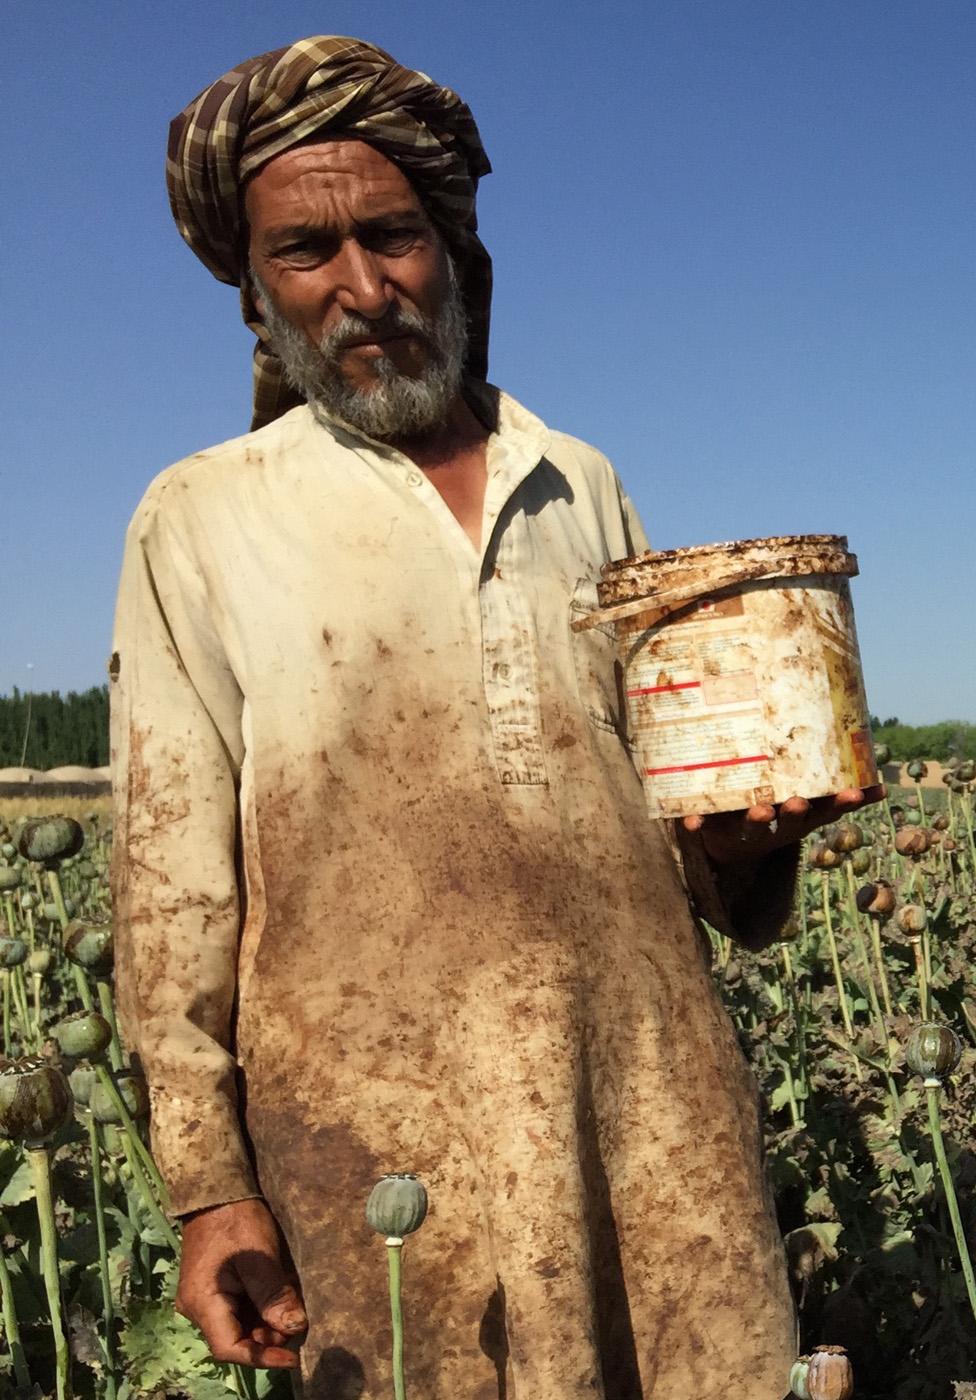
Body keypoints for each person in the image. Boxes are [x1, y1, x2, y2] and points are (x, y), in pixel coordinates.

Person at [111, 36, 881, 1400]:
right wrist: (207, 1189)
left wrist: (762, 838)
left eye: (393, 235)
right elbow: (170, 884)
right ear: (256, 293)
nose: (362, 289)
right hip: (379, 1145)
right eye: (306, 253)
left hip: (649, 1111)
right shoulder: (204, 518)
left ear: (455, 250)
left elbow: (682, 821)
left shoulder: (577, 480)